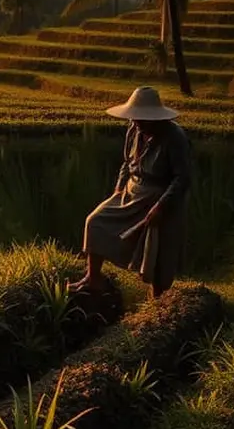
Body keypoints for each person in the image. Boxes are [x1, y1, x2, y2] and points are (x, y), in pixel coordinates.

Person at [73, 87, 191, 299]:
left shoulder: (175, 137)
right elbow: (127, 162)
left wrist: (161, 206)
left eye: (142, 120)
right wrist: (119, 188)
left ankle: (158, 299)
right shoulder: (134, 128)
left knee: (157, 250)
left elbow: (182, 178)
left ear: (155, 118)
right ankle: (93, 278)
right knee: (95, 221)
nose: (137, 123)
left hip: (158, 196)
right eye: (135, 118)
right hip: (131, 190)